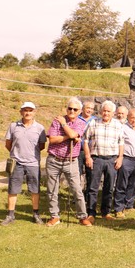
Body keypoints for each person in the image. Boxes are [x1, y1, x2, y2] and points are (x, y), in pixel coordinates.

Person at [44, 97, 91, 227]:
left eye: (75, 109)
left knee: (77, 189)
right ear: (67, 108)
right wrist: (69, 136)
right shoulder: (56, 120)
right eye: (70, 108)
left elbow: (74, 135)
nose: (72, 111)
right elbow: (52, 139)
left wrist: (64, 125)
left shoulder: (80, 123)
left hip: (71, 161)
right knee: (52, 189)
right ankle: (54, 216)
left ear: (79, 111)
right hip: (54, 159)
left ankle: (82, 216)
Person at [0, 101, 47, 226]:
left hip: (33, 163)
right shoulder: (13, 126)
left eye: (30, 110)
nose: (28, 113)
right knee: (12, 189)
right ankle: (10, 215)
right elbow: (8, 144)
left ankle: (36, 214)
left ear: (34, 112)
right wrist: (16, 153)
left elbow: (41, 145)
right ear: (21, 112)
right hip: (16, 162)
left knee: (35, 189)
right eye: (25, 110)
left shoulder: (40, 128)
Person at [82, 100, 124, 222]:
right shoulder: (93, 123)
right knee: (93, 187)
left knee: (109, 187)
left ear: (113, 113)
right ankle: (91, 213)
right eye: (104, 111)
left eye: (108, 111)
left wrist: (120, 157)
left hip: (112, 159)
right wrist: (88, 157)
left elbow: (121, 142)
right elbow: (85, 141)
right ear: (101, 111)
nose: (106, 113)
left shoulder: (118, 125)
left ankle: (106, 212)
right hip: (96, 159)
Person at [113, 108, 135, 217]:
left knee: (133, 185)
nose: (134, 120)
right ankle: (118, 208)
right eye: (132, 118)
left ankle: (129, 205)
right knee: (122, 184)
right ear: (128, 117)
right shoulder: (123, 128)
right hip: (126, 159)